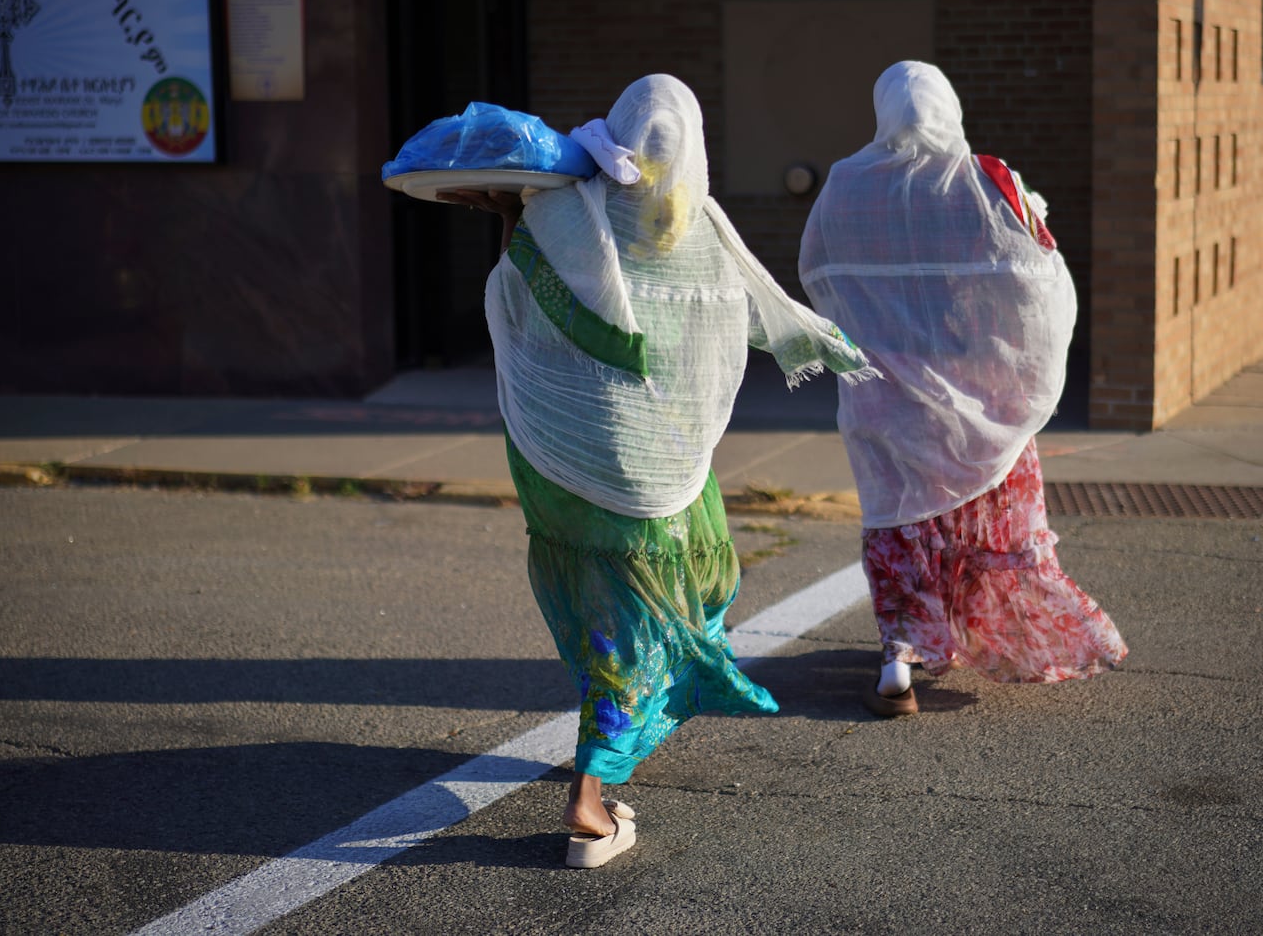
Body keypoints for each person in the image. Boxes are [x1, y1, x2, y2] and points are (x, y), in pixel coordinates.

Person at [444, 74, 874, 868]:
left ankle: (599, 754)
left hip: (564, 465)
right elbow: (745, 318)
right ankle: (588, 795)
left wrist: (513, 211)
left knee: (613, 612)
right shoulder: (702, 228)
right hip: (656, 470)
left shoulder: (564, 211)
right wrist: (830, 343)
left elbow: (521, 297)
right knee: (670, 605)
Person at [798, 60, 1127, 717]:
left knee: (903, 519)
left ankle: (899, 653)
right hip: (978, 392)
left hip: (886, 390)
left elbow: (819, 271)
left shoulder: (845, 184)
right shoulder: (984, 179)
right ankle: (991, 637)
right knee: (987, 518)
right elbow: (1040, 272)